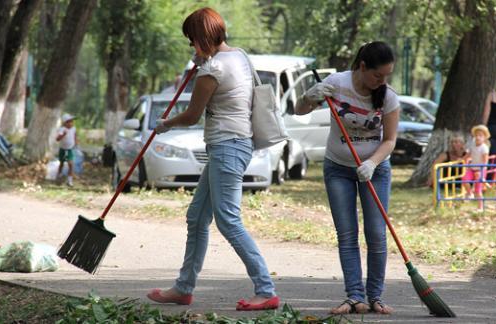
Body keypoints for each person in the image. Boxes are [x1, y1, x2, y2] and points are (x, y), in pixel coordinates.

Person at [146, 7, 279, 311]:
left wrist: (164, 123)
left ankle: (265, 289)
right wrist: (205, 60)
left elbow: (192, 116)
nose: (192, 46)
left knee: (228, 220)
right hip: (237, 144)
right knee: (197, 217)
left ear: (203, 37)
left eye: (193, 40)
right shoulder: (240, 56)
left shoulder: (212, 70)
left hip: (227, 147)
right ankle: (183, 288)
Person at [295, 41, 399, 315]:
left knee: (376, 234)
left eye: (386, 75)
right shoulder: (337, 84)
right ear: (362, 67)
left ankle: (375, 296)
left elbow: (389, 140)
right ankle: (355, 297)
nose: (382, 80)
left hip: (375, 171)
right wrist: (310, 96)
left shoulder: (388, 96)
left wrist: (372, 163)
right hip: (338, 167)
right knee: (347, 234)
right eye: (378, 75)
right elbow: (298, 110)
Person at [462, 125, 490, 208]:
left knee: (478, 190)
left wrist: (481, 171)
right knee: (464, 179)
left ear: (484, 138)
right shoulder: (473, 145)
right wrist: (462, 160)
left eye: (480, 135)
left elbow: (485, 162)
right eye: (476, 135)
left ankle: (480, 207)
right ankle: (470, 193)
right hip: (472, 168)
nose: (478, 137)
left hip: (481, 169)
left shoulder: (484, 148)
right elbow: (468, 154)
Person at [56, 113, 77, 187]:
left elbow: (74, 135)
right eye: (69, 122)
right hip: (63, 149)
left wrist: (76, 142)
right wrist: (63, 135)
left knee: (70, 164)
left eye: (72, 121)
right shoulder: (62, 129)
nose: (71, 123)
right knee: (61, 163)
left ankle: (70, 180)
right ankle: (59, 176)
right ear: (65, 123)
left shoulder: (73, 129)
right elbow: (57, 139)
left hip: (69, 149)